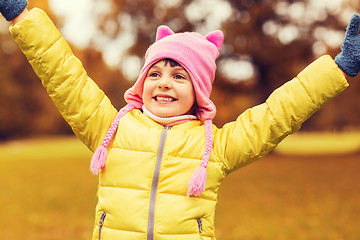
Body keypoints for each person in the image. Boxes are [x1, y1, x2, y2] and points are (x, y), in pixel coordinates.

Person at [1, 1, 359, 239]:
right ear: (142, 82)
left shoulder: (215, 147)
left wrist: (339, 68)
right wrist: (22, 16)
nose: (164, 83)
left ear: (198, 90)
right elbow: (64, 77)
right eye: (155, 73)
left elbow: (277, 114)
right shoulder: (110, 129)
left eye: (179, 75)